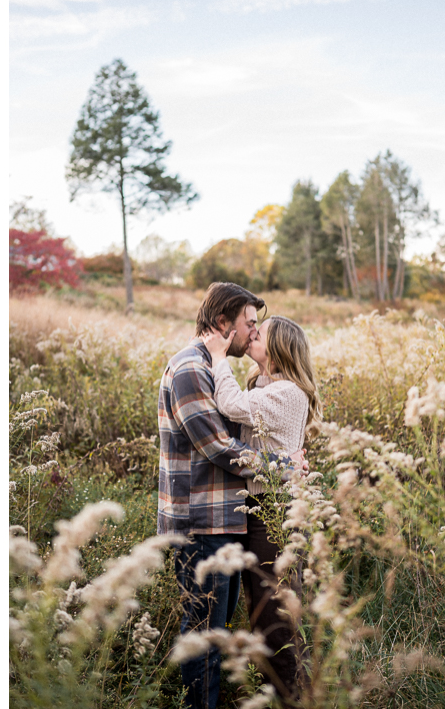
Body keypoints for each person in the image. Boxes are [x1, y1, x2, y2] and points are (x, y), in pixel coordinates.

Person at [158, 282, 296, 709]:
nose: (254, 332)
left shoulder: (212, 367)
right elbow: (218, 448)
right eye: (249, 323)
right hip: (202, 524)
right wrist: (284, 465)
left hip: (224, 522)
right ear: (223, 323)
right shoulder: (190, 369)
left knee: (216, 635)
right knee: (204, 637)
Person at [203, 315, 321, 704]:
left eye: (261, 331)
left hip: (277, 512)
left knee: (275, 621)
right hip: (258, 507)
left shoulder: (287, 393)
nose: (253, 333)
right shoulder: (264, 385)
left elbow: (231, 403)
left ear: (279, 347)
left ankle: (293, 699)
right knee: (261, 613)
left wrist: (218, 357)